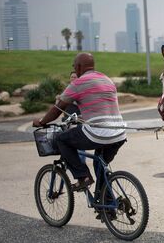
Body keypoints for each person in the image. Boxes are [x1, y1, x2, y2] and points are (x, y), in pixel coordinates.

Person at [32, 53, 126, 197]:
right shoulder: (107, 79)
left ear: (79, 66)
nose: (74, 69)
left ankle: (83, 177)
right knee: (99, 164)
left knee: (62, 140)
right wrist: (83, 117)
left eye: (74, 66)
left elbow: (58, 108)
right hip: (119, 133)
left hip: (98, 133)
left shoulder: (78, 83)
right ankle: (107, 206)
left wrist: (42, 121)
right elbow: (101, 107)